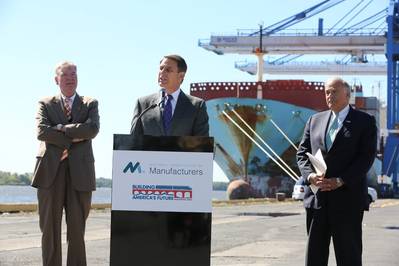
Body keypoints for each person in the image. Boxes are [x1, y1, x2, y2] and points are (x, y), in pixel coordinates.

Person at [296, 77, 377, 266]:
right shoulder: (314, 120)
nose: (329, 95)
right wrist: (310, 176)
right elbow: (301, 153)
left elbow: (366, 158)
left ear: (347, 95)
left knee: (349, 256)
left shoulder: (364, 121)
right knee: (315, 257)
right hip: (317, 201)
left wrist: (341, 180)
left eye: (334, 91)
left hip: (347, 201)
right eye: (326, 92)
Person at [32, 61, 100, 266]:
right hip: (49, 172)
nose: (71, 77)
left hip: (80, 173)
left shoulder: (90, 103)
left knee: (77, 231)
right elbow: (42, 131)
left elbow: (92, 130)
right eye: (65, 74)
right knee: (49, 231)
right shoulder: (45, 103)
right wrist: (74, 137)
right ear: (56, 79)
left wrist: (60, 129)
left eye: (74, 73)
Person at [130, 54, 209, 137]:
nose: (162, 72)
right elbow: (133, 141)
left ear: (181, 76)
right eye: (161, 68)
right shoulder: (143, 104)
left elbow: (201, 144)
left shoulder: (197, 106)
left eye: (168, 70)